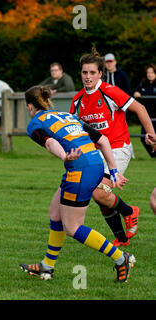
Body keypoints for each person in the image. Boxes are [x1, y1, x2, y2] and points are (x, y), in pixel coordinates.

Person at [19, 85, 135, 283]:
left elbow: (49, 143)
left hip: (80, 169)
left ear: (29, 106)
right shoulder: (66, 115)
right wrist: (113, 170)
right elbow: (104, 139)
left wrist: (65, 157)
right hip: (95, 164)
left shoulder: (34, 123)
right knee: (55, 214)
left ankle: (121, 258)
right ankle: (47, 267)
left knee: (73, 227)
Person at [71, 48, 156, 247]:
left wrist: (152, 134)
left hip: (118, 148)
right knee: (101, 197)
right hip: (95, 153)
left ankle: (129, 211)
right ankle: (122, 239)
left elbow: (140, 108)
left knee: (99, 193)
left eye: (92, 72)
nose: (88, 76)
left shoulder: (109, 91)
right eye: (85, 72)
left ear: (100, 73)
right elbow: (76, 130)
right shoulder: (77, 100)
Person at [133, 63, 156, 157]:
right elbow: (134, 92)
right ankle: (153, 155)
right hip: (146, 117)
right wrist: (136, 93)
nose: (150, 74)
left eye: (152, 72)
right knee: (143, 138)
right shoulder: (143, 84)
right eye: (148, 72)